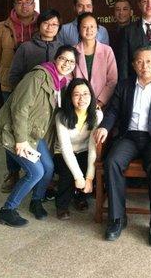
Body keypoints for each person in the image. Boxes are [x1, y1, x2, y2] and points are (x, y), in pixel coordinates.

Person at [94, 45, 151, 246]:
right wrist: (105, 127)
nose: (144, 66)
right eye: (140, 62)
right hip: (130, 137)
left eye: (149, 61)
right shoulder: (124, 86)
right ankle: (117, 218)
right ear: (134, 65)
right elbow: (113, 112)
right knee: (112, 161)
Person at [0, 45, 78, 227]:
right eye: (63, 59)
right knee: (35, 172)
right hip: (15, 133)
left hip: (35, 135)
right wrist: (20, 140)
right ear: (55, 59)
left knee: (48, 167)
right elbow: (19, 109)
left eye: (71, 61)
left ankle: (36, 201)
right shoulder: (38, 77)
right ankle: (8, 210)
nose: (66, 64)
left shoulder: (60, 84)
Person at [0, 0, 38, 193]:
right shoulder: (1, 27)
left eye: (28, 2)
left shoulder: (44, 24)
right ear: (14, 5)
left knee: (35, 127)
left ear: (34, 4)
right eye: (20, 2)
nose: (24, 6)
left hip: (36, 86)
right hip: (10, 86)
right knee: (10, 128)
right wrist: (4, 75)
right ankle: (13, 172)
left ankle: (36, 170)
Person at [53, 78, 103, 220]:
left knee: (89, 166)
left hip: (84, 150)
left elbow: (93, 147)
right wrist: (78, 177)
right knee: (68, 173)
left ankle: (80, 197)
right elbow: (66, 148)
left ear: (91, 96)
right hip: (62, 152)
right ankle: (61, 205)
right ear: (70, 97)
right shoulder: (61, 117)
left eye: (86, 94)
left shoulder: (97, 115)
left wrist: (88, 177)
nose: (82, 98)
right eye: (77, 94)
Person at [8, 9, 63, 88]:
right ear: (39, 24)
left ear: (59, 27)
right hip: (30, 95)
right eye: (46, 23)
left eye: (54, 24)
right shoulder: (26, 47)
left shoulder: (62, 49)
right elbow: (14, 76)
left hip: (55, 96)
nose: (49, 27)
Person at [73, 13, 118, 109]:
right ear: (79, 29)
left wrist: (100, 102)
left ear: (97, 29)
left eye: (92, 26)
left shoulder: (107, 51)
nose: (89, 30)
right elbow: (68, 79)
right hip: (77, 104)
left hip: (102, 106)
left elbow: (112, 80)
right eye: (85, 27)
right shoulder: (72, 51)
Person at [110, 0, 133, 66]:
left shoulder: (137, 32)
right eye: (118, 10)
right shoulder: (108, 33)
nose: (121, 13)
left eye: (125, 9)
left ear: (131, 12)